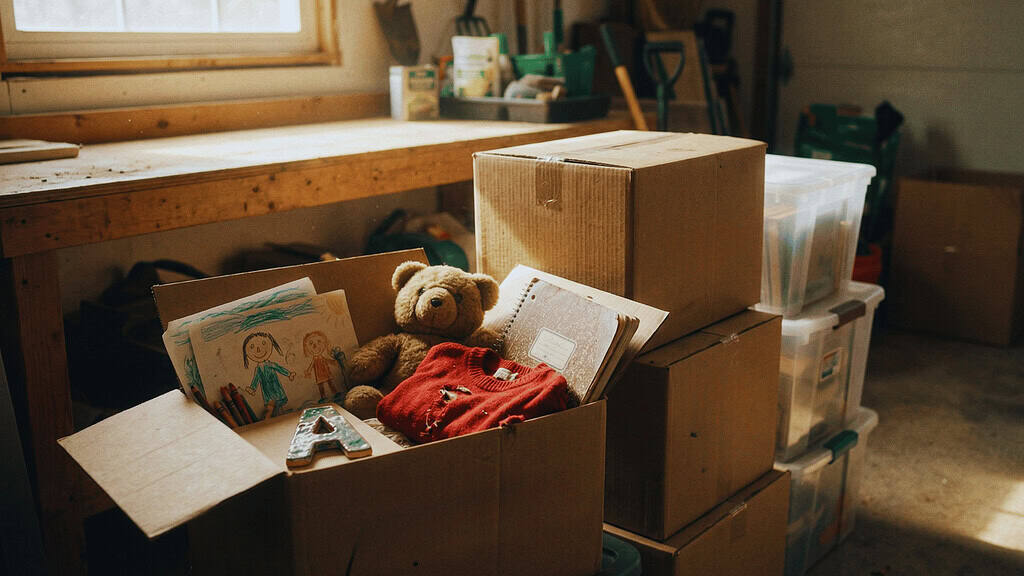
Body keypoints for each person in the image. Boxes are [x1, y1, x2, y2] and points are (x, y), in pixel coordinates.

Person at [242, 331, 294, 418]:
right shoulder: (258, 369)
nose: (258, 349)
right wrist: (253, 388)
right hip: (267, 390)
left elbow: (279, 369)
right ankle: (277, 415)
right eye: (252, 347)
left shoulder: (271, 364)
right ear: (246, 353)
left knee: (279, 401)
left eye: (263, 343)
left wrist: (289, 374)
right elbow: (256, 379)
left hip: (275, 386)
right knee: (271, 405)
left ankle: (281, 413)